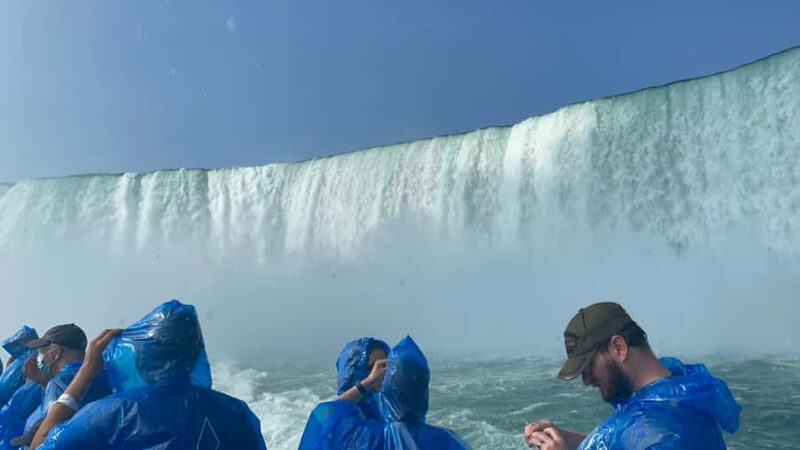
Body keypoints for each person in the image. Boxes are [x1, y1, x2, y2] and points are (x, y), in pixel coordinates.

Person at [31, 299, 267, 450]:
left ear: (140, 357)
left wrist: (84, 374)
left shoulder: (115, 411)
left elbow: (40, 447)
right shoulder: (237, 412)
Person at [523, 302, 741, 450]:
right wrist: (568, 439)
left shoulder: (661, 430)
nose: (587, 380)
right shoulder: (671, 392)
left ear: (619, 347)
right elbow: (629, 441)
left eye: (589, 366)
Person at [299, 336, 468, 449]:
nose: (381, 374)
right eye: (370, 368)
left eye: (387, 366)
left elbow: (325, 418)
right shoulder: (353, 429)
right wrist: (367, 382)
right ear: (353, 372)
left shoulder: (356, 431)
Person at [10, 324, 110, 448]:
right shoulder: (101, 374)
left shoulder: (58, 383)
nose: (40, 359)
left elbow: (48, 435)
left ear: (55, 353)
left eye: (42, 353)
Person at [334, 337, 390, 420]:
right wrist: (370, 380)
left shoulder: (390, 404)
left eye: (384, 365)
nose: (381, 372)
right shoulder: (346, 418)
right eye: (372, 367)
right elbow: (333, 412)